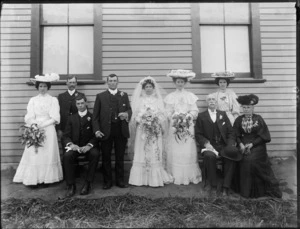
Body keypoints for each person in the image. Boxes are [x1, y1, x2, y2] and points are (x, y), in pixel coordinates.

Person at [13, 73, 63, 186]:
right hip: (35, 129)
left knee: (47, 153)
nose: (43, 88)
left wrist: (43, 125)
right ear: (37, 87)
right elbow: (29, 116)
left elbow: (55, 117)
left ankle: (48, 178)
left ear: (48, 87)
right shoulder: (33, 100)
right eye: (40, 86)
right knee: (35, 153)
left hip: (48, 129)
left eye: (45, 86)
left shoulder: (53, 100)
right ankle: (34, 179)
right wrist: (34, 125)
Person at [233, 94, 282, 198]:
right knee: (243, 159)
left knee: (251, 160)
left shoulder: (258, 119)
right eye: (244, 107)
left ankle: (259, 191)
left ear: (253, 108)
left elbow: (264, 136)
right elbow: (236, 134)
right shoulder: (238, 120)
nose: (246, 110)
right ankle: (245, 191)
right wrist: (241, 144)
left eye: (248, 107)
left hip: (257, 144)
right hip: (243, 144)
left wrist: (252, 144)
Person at [128, 76, 173, 187]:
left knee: (154, 151)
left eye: (150, 86)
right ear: (143, 88)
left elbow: (162, 115)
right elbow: (135, 116)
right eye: (146, 87)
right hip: (142, 130)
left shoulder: (158, 100)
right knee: (142, 151)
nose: (148, 88)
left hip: (155, 130)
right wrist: (142, 120)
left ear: (153, 88)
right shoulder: (139, 100)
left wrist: (155, 120)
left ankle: (155, 179)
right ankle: (140, 179)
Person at [195, 93, 242, 196]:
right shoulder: (201, 116)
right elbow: (198, 134)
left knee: (230, 156)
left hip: (223, 145)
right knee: (209, 156)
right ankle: (213, 185)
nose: (212, 101)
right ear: (207, 102)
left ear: (216, 102)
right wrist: (206, 143)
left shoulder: (223, 114)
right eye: (210, 100)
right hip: (209, 146)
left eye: (214, 100)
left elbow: (230, 132)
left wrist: (230, 145)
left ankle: (226, 186)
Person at [92, 73, 132, 189]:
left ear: (117, 82)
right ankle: (107, 181)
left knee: (120, 157)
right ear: (107, 82)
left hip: (120, 130)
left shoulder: (123, 95)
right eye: (110, 80)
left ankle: (120, 181)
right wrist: (97, 130)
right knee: (106, 157)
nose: (113, 82)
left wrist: (126, 114)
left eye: (115, 80)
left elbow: (129, 110)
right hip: (105, 131)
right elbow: (95, 116)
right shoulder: (100, 96)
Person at [164, 69, 202, 185]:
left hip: (187, 125)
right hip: (175, 126)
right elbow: (167, 111)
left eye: (182, 82)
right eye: (178, 82)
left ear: (185, 83)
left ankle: (188, 175)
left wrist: (187, 117)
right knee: (175, 148)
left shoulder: (190, 96)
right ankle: (174, 174)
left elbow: (195, 110)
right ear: (174, 82)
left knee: (187, 148)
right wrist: (176, 117)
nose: (180, 84)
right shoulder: (170, 96)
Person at [63, 94, 100, 197]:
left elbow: (96, 135)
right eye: (78, 104)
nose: (80, 105)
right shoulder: (71, 118)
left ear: (86, 103)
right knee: (67, 156)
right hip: (75, 147)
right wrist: (72, 145)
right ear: (76, 105)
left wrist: (89, 145)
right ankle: (71, 185)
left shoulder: (93, 117)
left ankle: (88, 183)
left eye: (82, 103)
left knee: (95, 154)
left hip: (88, 147)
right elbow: (66, 135)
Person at [57, 76, 85, 141]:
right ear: (66, 83)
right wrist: (59, 128)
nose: (72, 84)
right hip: (64, 127)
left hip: (77, 126)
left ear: (76, 84)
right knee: (65, 146)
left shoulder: (81, 95)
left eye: (73, 82)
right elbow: (58, 113)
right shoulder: (61, 96)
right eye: (70, 82)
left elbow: (84, 111)